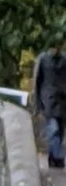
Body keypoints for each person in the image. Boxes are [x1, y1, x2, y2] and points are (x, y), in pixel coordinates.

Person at [33, 40, 66, 168]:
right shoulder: (43, 59)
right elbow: (37, 82)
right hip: (48, 100)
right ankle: (58, 157)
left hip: (62, 101)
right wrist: (37, 104)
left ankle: (53, 158)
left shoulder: (64, 60)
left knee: (60, 131)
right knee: (54, 128)